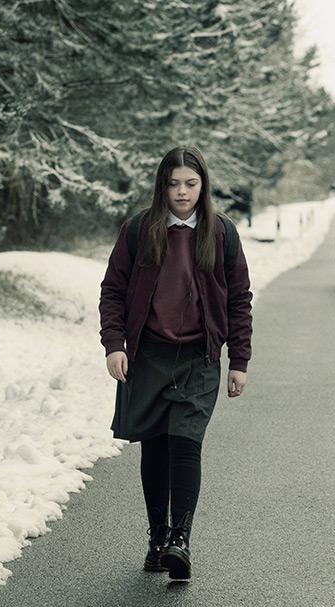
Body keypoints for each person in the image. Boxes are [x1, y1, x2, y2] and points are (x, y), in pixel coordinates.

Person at [98, 146, 253, 580]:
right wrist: (114, 344)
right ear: (161, 186)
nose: (182, 192)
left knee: (185, 443)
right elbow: (113, 291)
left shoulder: (220, 233)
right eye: (173, 184)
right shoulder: (138, 230)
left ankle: (180, 540)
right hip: (148, 355)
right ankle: (158, 538)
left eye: (190, 183)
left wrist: (239, 359)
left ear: (203, 185)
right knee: (155, 445)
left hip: (199, 358)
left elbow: (239, 299)